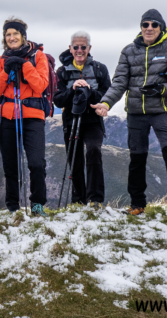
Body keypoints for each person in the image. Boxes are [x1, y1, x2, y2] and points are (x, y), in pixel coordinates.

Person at [91, 9, 167, 222]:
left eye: (154, 24)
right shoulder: (128, 51)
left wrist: (161, 89)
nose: (149, 28)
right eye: (145, 24)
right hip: (136, 113)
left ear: (161, 27)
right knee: (137, 158)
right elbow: (119, 82)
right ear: (141, 27)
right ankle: (137, 204)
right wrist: (106, 102)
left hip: (162, 111)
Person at [0, 17, 49, 216]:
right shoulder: (2, 60)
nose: (11, 37)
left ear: (23, 36)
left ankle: (38, 204)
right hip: (6, 117)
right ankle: (13, 206)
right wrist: (6, 71)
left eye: (15, 33)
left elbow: (41, 85)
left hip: (33, 117)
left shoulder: (38, 57)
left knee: (36, 163)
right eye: (8, 34)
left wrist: (24, 65)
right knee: (10, 164)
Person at [53, 31, 111, 206]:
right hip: (71, 120)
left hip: (93, 121)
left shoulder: (100, 69)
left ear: (89, 48)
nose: (79, 50)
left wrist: (89, 91)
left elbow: (108, 94)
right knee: (75, 159)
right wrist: (72, 89)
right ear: (70, 49)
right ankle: (78, 200)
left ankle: (95, 199)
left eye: (83, 47)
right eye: (76, 47)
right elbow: (57, 99)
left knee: (94, 151)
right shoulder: (62, 72)